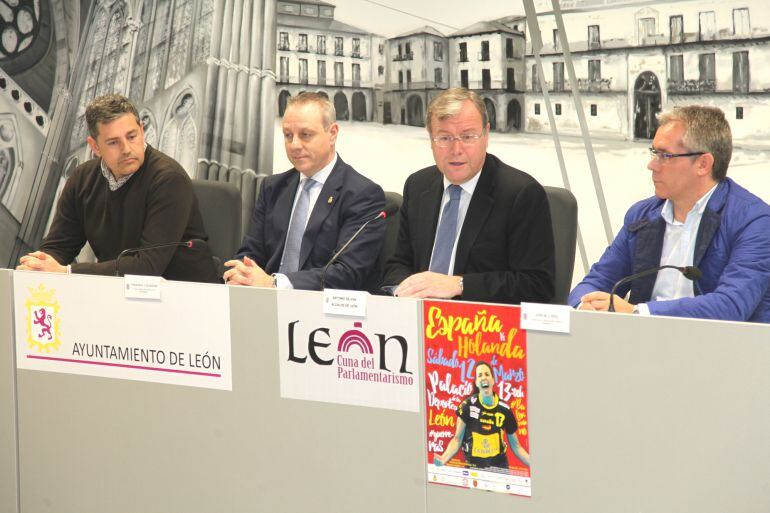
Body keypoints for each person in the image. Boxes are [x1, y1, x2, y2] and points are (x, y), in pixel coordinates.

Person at [569, 105, 770, 322]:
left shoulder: (754, 222)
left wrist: (637, 313)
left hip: (722, 349)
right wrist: (584, 305)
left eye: (665, 155)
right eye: (654, 153)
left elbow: (730, 305)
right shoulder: (642, 216)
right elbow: (599, 280)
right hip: (643, 346)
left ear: (703, 164)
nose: (652, 165)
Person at [16, 94, 219, 283]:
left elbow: (147, 267)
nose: (127, 149)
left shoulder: (168, 179)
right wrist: (39, 265)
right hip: (117, 292)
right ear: (95, 146)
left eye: (132, 136)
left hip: (185, 297)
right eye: (113, 142)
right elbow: (59, 246)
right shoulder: (81, 179)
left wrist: (67, 272)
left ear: (141, 129)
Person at [382, 88, 555, 304]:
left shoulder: (521, 194)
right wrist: (404, 289)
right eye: (444, 138)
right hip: (420, 319)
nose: (456, 149)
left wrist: (459, 284)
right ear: (431, 139)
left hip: (483, 327)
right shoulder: (418, 186)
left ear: (486, 135)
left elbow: (536, 285)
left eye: (467, 137)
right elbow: (398, 264)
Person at [224, 92, 385, 290]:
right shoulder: (272, 188)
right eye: (288, 135)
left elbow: (346, 272)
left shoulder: (362, 194)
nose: (294, 145)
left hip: (323, 312)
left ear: (332, 133)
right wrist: (242, 272)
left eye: (305, 135)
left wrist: (274, 283)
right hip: (265, 304)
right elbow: (251, 252)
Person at [434, 361, 530, 470]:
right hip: (474, 468)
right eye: (480, 375)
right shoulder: (467, 406)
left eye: (487, 374)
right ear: (476, 383)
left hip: (499, 468)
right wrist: (443, 459)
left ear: (493, 380)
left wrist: (535, 464)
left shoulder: (505, 410)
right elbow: (457, 440)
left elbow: (517, 447)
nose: (484, 377)